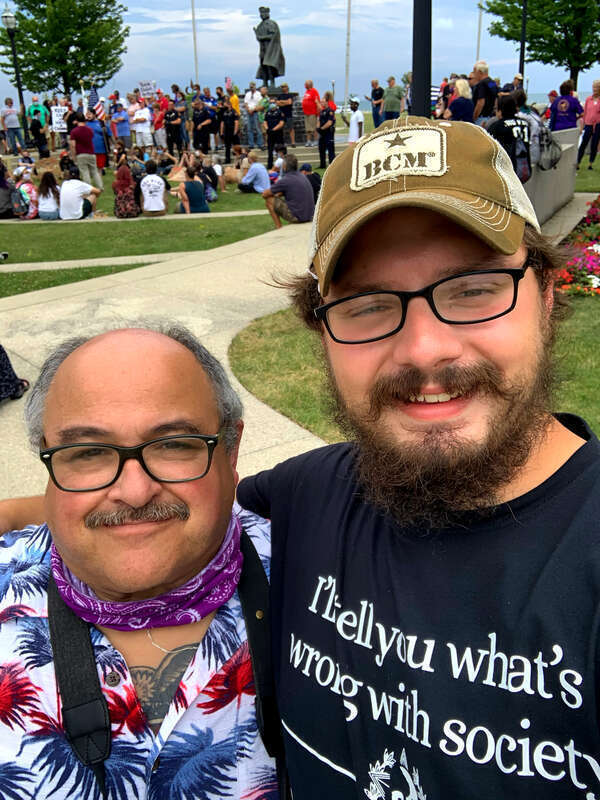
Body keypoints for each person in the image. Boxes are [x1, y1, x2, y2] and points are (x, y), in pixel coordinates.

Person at [235, 115, 600, 799]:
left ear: (548, 297)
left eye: (473, 289)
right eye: (368, 305)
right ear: (322, 333)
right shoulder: (309, 494)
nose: (425, 349)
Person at [0, 324, 278, 797]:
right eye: (88, 452)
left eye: (174, 444)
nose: (133, 492)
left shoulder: (321, 574)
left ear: (231, 452)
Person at [262, 152, 314, 229]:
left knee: (269, 200)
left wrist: (275, 194)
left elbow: (265, 194)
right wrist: (279, 194)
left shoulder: (286, 179)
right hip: (310, 216)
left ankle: (278, 227)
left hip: (298, 217)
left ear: (284, 166)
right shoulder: (302, 176)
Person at [69, 113, 103, 189]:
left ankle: (88, 188)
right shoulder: (90, 130)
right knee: (94, 171)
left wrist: (73, 156)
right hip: (91, 153)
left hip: (81, 153)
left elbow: (73, 145)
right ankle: (100, 187)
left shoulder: (74, 131)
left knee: (85, 172)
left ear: (76, 120)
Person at [254, 6, 285, 86]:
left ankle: (272, 82)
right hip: (262, 49)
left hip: (270, 49)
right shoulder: (260, 25)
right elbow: (258, 38)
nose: (262, 15)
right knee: (263, 65)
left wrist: (262, 37)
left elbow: (273, 36)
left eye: (263, 13)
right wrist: (258, 36)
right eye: (261, 13)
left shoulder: (270, 23)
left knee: (269, 65)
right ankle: (265, 82)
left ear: (267, 13)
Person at [577, 79, 600, 169]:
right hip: (588, 124)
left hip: (597, 125)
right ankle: (578, 162)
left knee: (594, 144)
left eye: (597, 87)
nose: (595, 89)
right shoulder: (588, 99)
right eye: (594, 87)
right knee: (584, 143)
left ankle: (590, 163)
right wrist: (581, 127)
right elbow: (585, 113)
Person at [472, 60, 498, 125]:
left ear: (480, 72)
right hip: (491, 117)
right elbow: (496, 97)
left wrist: (474, 117)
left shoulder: (481, 84)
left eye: (475, 72)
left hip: (481, 117)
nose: (474, 75)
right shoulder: (492, 83)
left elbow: (481, 102)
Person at [264, 101, 284, 169]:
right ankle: (270, 165)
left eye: (273, 103)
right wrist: (267, 129)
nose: (272, 104)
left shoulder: (280, 112)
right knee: (270, 150)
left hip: (278, 133)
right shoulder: (267, 112)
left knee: (280, 149)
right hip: (270, 133)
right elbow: (265, 121)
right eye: (270, 103)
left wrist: (274, 129)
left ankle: (281, 165)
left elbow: (281, 123)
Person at [244, 82, 264, 150]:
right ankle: (251, 144)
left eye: (252, 87)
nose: (251, 88)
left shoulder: (258, 94)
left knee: (258, 128)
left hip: (256, 112)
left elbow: (260, 103)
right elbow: (245, 103)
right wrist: (248, 110)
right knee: (249, 129)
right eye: (250, 87)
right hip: (249, 112)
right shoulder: (247, 94)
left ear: (255, 87)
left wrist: (253, 110)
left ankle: (260, 144)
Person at [316, 99, 336, 169]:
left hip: (328, 133)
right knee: (321, 149)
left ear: (327, 102)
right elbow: (319, 120)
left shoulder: (330, 111)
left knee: (330, 150)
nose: (321, 103)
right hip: (322, 134)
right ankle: (322, 165)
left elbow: (329, 123)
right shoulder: (322, 111)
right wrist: (318, 128)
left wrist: (322, 128)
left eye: (323, 102)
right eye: (321, 102)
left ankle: (332, 165)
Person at [220, 97, 240, 164]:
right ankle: (227, 160)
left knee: (236, 147)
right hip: (227, 131)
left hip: (233, 130)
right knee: (227, 147)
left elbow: (236, 122)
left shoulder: (234, 112)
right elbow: (222, 122)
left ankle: (239, 160)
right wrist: (221, 132)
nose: (224, 106)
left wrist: (235, 132)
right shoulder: (224, 112)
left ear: (229, 105)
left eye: (225, 104)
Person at [301, 80, 320, 147]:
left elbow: (317, 102)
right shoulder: (307, 91)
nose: (304, 85)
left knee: (313, 128)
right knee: (308, 128)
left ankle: (316, 140)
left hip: (312, 113)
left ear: (309, 84)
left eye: (305, 84)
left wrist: (317, 113)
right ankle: (308, 141)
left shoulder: (314, 91)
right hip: (306, 113)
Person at [276, 83, 295, 147]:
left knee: (291, 128)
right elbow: (277, 103)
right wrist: (285, 102)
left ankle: (293, 143)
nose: (283, 88)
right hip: (281, 115)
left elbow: (290, 102)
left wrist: (282, 101)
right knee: (281, 129)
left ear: (287, 87)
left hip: (289, 115)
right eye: (282, 87)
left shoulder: (290, 95)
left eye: (284, 87)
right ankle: (282, 142)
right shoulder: (279, 96)